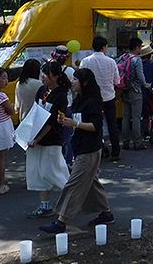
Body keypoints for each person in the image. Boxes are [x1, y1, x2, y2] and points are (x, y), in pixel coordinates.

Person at [38, 69, 114, 233]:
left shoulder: (92, 102)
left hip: (90, 148)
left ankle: (61, 221)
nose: (72, 82)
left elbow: (96, 126)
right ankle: (106, 213)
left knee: (74, 184)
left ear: (84, 83)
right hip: (81, 147)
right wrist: (65, 121)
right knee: (92, 182)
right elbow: (77, 121)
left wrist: (75, 124)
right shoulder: (79, 99)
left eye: (76, 80)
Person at [27, 61, 71, 218]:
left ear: (56, 77)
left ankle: (72, 199)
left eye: (46, 74)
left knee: (52, 171)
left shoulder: (61, 95)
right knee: (37, 173)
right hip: (36, 139)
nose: (43, 76)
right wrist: (26, 134)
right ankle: (45, 206)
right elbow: (35, 112)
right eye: (42, 73)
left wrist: (37, 139)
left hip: (51, 139)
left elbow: (52, 122)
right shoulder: (42, 90)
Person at [80, 36, 121, 161]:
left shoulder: (86, 61)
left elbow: (81, 79)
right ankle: (115, 152)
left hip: (92, 99)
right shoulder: (111, 62)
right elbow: (117, 81)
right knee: (112, 124)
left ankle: (98, 149)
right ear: (104, 47)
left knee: (94, 125)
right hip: (109, 97)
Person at [119, 37, 151, 151]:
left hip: (124, 90)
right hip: (135, 91)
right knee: (136, 118)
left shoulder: (122, 57)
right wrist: (145, 85)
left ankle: (125, 142)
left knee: (126, 117)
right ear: (137, 48)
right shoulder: (137, 60)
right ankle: (137, 142)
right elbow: (140, 76)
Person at [141, 44, 153, 138]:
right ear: (149, 55)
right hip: (151, 92)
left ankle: (145, 133)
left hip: (140, 93)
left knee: (143, 114)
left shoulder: (138, 64)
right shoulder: (152, 65)